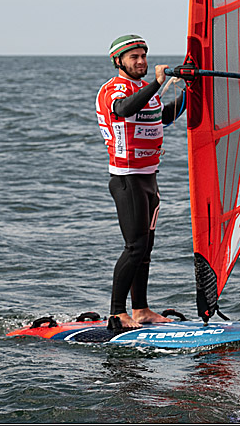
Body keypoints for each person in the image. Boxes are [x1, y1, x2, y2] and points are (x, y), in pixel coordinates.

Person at [95, 34, 185, 330]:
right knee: (135, 247)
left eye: (143, 56)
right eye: (134, 57)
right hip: (127, 180)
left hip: (150, 179)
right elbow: (124, 109)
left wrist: (191, 90)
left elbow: (163, 116)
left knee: (146, 248)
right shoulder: (114, 89)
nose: (141, 62)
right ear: (118, 61)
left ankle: (142, 309)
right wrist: (158, 83)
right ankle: (117, 312)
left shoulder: (148, 92)